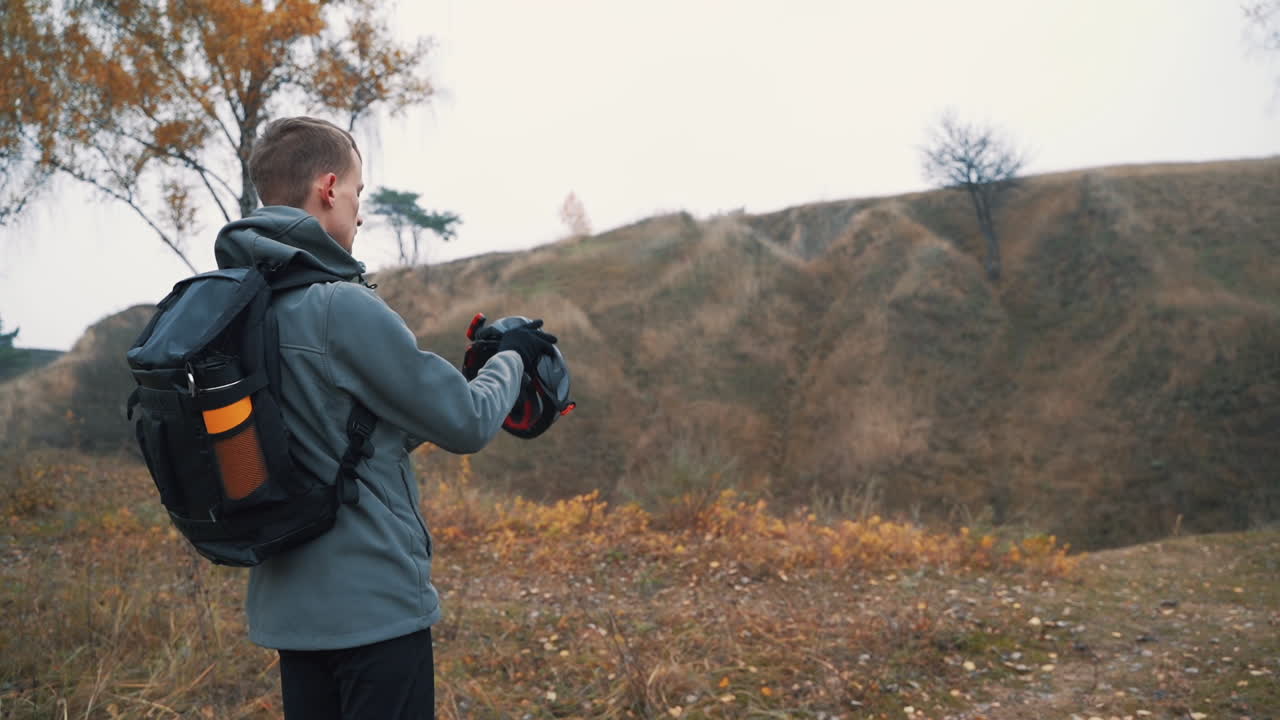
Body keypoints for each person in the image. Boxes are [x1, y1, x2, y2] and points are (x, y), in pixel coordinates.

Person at [212, 116, 555, 719]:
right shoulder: (339, 307)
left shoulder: (239, 309)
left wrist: (432, 391)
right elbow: (469, 422)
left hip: (291, 614)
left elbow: (341, 437)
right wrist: (511, 360)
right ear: (327, 188)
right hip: (373, 611)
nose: (361, 212)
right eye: (357, 194)